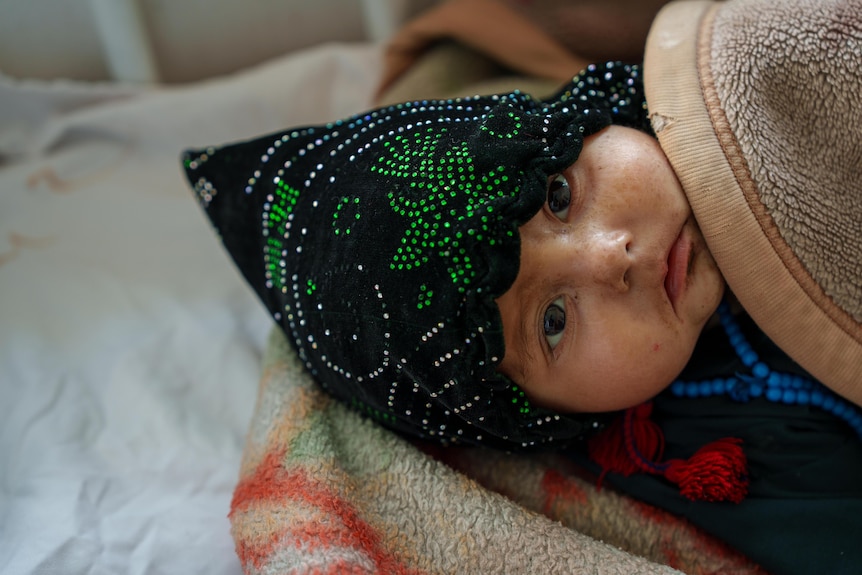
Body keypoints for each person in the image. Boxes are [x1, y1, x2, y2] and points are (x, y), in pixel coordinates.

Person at [182, 0, 861, 571]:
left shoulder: (711, 95)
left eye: (558, 193)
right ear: (538, 419)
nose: (611, 257)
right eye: (554, 322)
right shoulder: (727, 457)